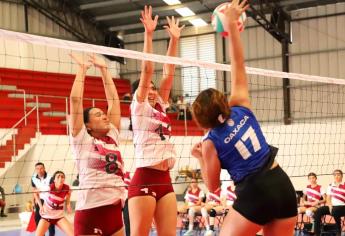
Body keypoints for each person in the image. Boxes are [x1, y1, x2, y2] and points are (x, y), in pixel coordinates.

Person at [190, 1, 297, 235]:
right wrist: (232, 27)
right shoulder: (240, 106)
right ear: (222, 101)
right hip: (282, 184)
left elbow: (213, 186)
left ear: (200, 118)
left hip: (255, 192)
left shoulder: (210, 142)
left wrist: (199, 157)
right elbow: (238, 64)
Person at [128, 6, 184, 236]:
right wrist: (148, 35)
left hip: (165, 179)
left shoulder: (160, 104)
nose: (151, 90)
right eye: (147, 87)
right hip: (145, 178)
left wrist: (174, 40)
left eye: (153, 88)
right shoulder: (139, 107)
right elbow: (148, 69)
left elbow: (168, 72)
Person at [69, 53, 126, 236]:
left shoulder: (113, 136)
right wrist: (82, 70)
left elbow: (114, 101)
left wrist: (104, 69)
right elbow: (75, 101)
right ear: (87, 125)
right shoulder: (82, 140)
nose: (104, 115)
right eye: (98, 114)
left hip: (115, 213)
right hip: (90, 213)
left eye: (103, 113)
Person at [34, 171, 73, 236]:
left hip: (59, 217)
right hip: (47, 217)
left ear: (64, 179)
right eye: (58, 177)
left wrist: (68, 204)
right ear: (54, 180)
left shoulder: (67, 188)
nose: (60, 178)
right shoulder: (48, 188)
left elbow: (68, 195)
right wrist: (40, 206)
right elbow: (35, 192)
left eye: (62, 177)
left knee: (73, 234)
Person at [313, 169, 345, 235]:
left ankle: (338, 230)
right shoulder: (330, 185)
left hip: (342, 207)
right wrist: (330, 206)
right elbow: (328, 198)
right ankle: (317, 233)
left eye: (338, 174)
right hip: (332, 206)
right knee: (318, 211)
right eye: (335, 175)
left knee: (335, 210)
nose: (336, 176)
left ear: (342, 176)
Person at [31, 162, 55, 235]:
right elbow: (34, 191)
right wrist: (33, 202)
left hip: (49, 199)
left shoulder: (50, 178)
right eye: (37, 169)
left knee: (50, 220)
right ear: (35, 170)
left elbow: (53, 191)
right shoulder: (33, 178)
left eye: (41, 168)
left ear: (44, 169)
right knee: (37, 218)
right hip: (40, 199)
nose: (39, 170)